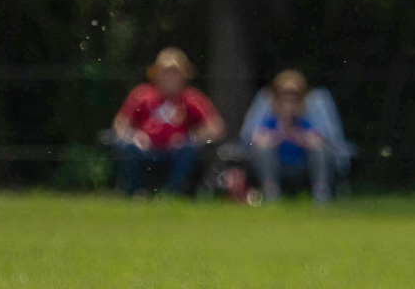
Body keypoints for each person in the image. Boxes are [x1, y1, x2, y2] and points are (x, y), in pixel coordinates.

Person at [112, 48, 223, 196]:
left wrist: (189, 138)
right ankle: (137, 192)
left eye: (174, 73)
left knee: (189, 149)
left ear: (183, 76)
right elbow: (120, 123)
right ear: (157, 75)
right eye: (165, 73)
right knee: (125, 145)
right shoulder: (142, 95)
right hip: (145, 150)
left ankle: (172, 192)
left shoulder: (191, 98)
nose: (169, 78)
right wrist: (134, 136)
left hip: (176, 152)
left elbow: (216, 127)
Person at [240, 70, 343, 202]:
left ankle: (321, 193)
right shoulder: (270, 118)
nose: (288, 102)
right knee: (262, 147)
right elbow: (255, 138)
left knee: (319, 149)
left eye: (293, 97)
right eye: (284, 96)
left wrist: (296, 135)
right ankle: (271, 192)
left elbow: (319, 138)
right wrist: (280, 132)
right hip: (277, 165)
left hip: (303, 165)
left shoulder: (307, 118)